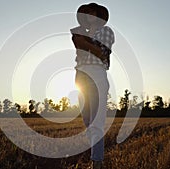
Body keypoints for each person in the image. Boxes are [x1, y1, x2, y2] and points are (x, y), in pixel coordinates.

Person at [70, 3, 115, 169]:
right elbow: (81, 52)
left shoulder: (106, 31)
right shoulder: (81, 34)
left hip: (96, 73)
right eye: (87, 13)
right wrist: (80, 40)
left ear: (99, 16)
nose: (90, 15)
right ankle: (97, 157)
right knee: (88, 121)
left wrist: (83, 42)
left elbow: (101, 52)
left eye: (93, 12)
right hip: (80, 75)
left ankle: (97, 162)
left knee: (96, 122)